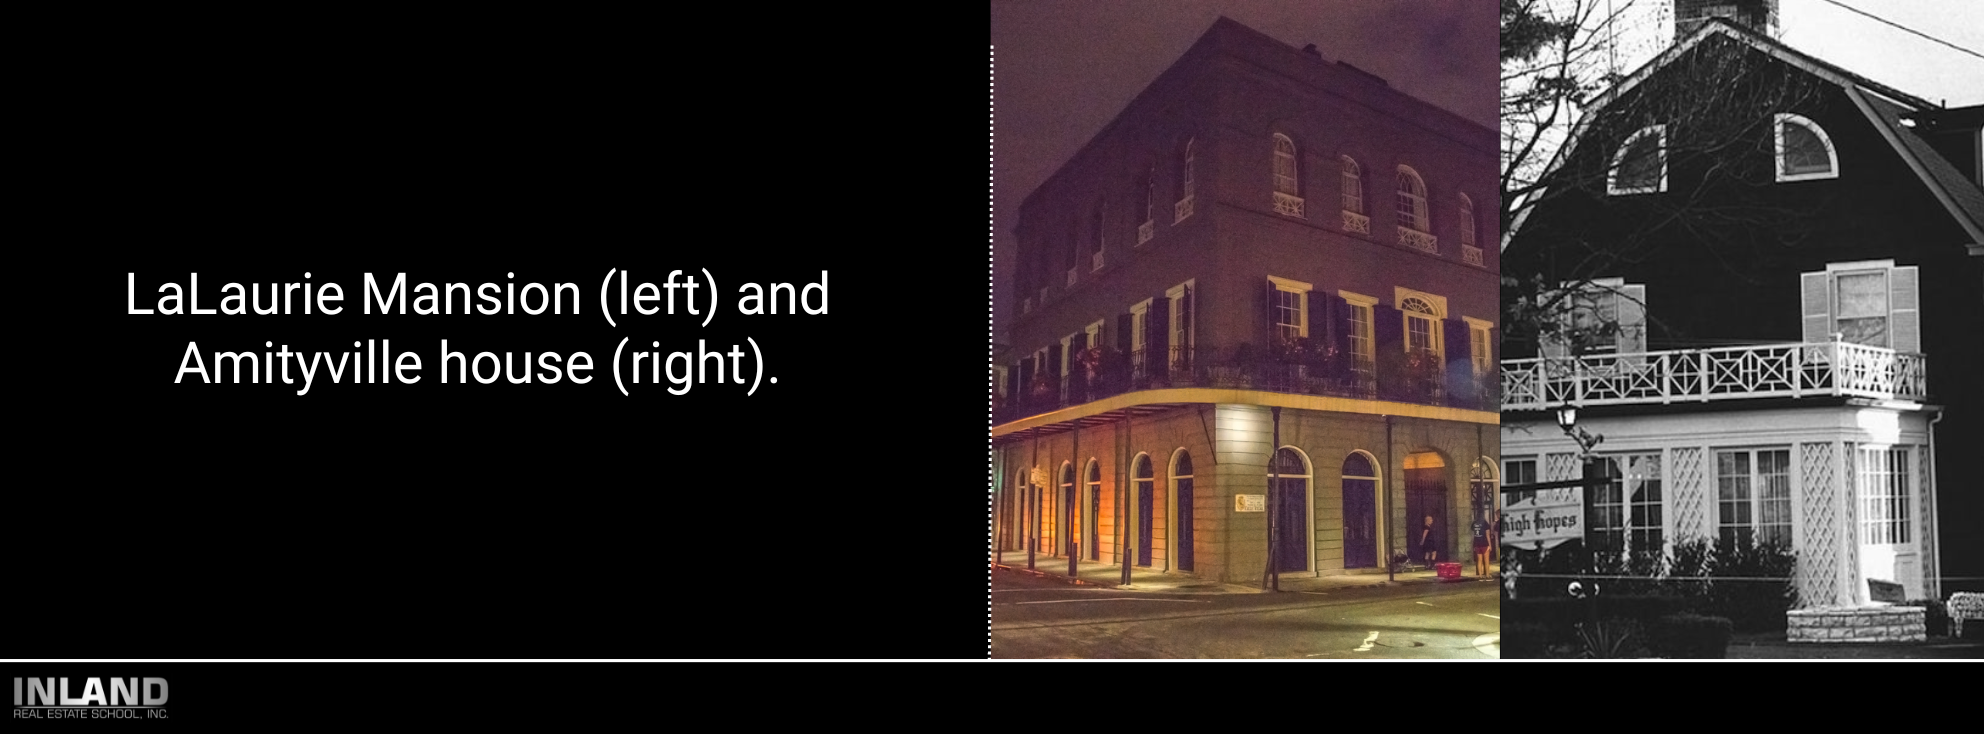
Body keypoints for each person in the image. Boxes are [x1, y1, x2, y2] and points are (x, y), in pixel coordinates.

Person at [1472, 512, 1490, 577]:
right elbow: (1487, 535)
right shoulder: (1485, 523)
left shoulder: (1474, 523)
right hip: (1484, 543)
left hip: (1477, 543)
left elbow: (1473, 534)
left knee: (1479, 560)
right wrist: (1490, 545)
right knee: (1486, 560)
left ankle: (1480, 575)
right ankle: (1487, 574)